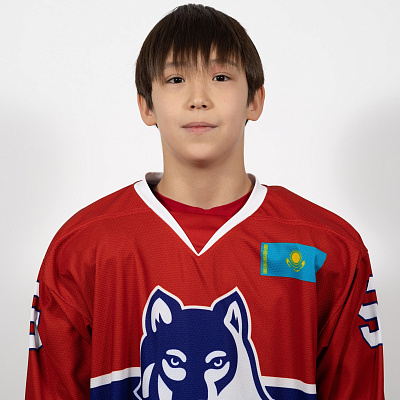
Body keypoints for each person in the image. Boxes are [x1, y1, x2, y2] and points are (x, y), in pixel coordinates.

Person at [25, 4, 384, 399]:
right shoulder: (83, 248)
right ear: (146, 105)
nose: (198, 98)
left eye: (220, 77)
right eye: (176, 78)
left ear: (254, 100)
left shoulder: (326, 248)